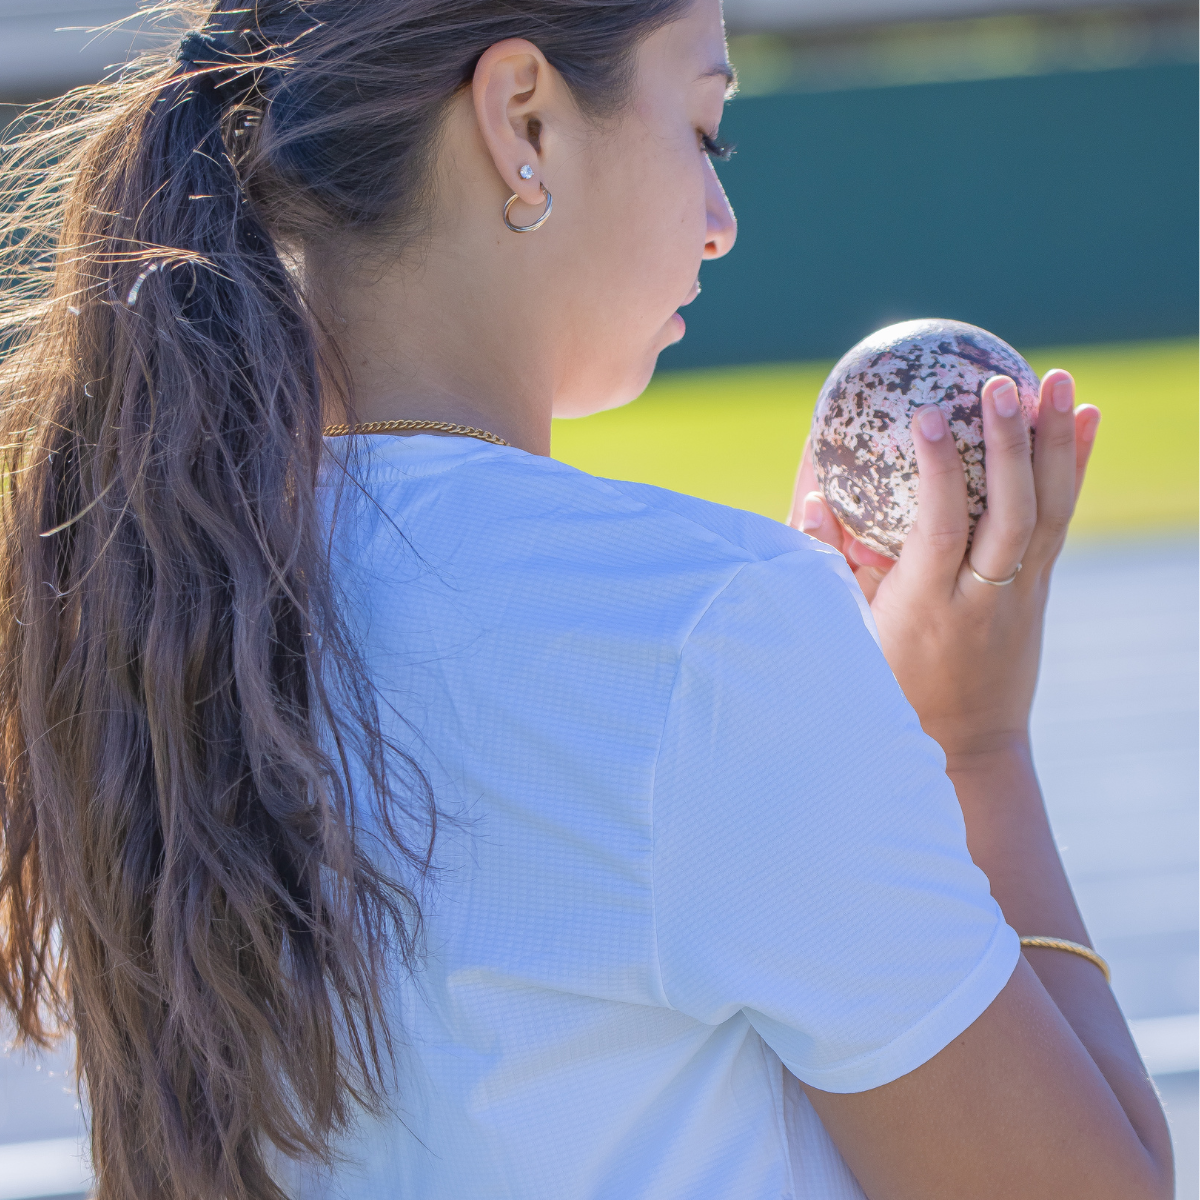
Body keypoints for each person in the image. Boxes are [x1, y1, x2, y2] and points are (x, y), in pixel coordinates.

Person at [0, 1, 1172, 1197]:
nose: (721, 224)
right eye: (706, 132)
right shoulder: (718, 629)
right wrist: (972, 746)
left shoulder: (130, 602)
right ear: (525, 120)